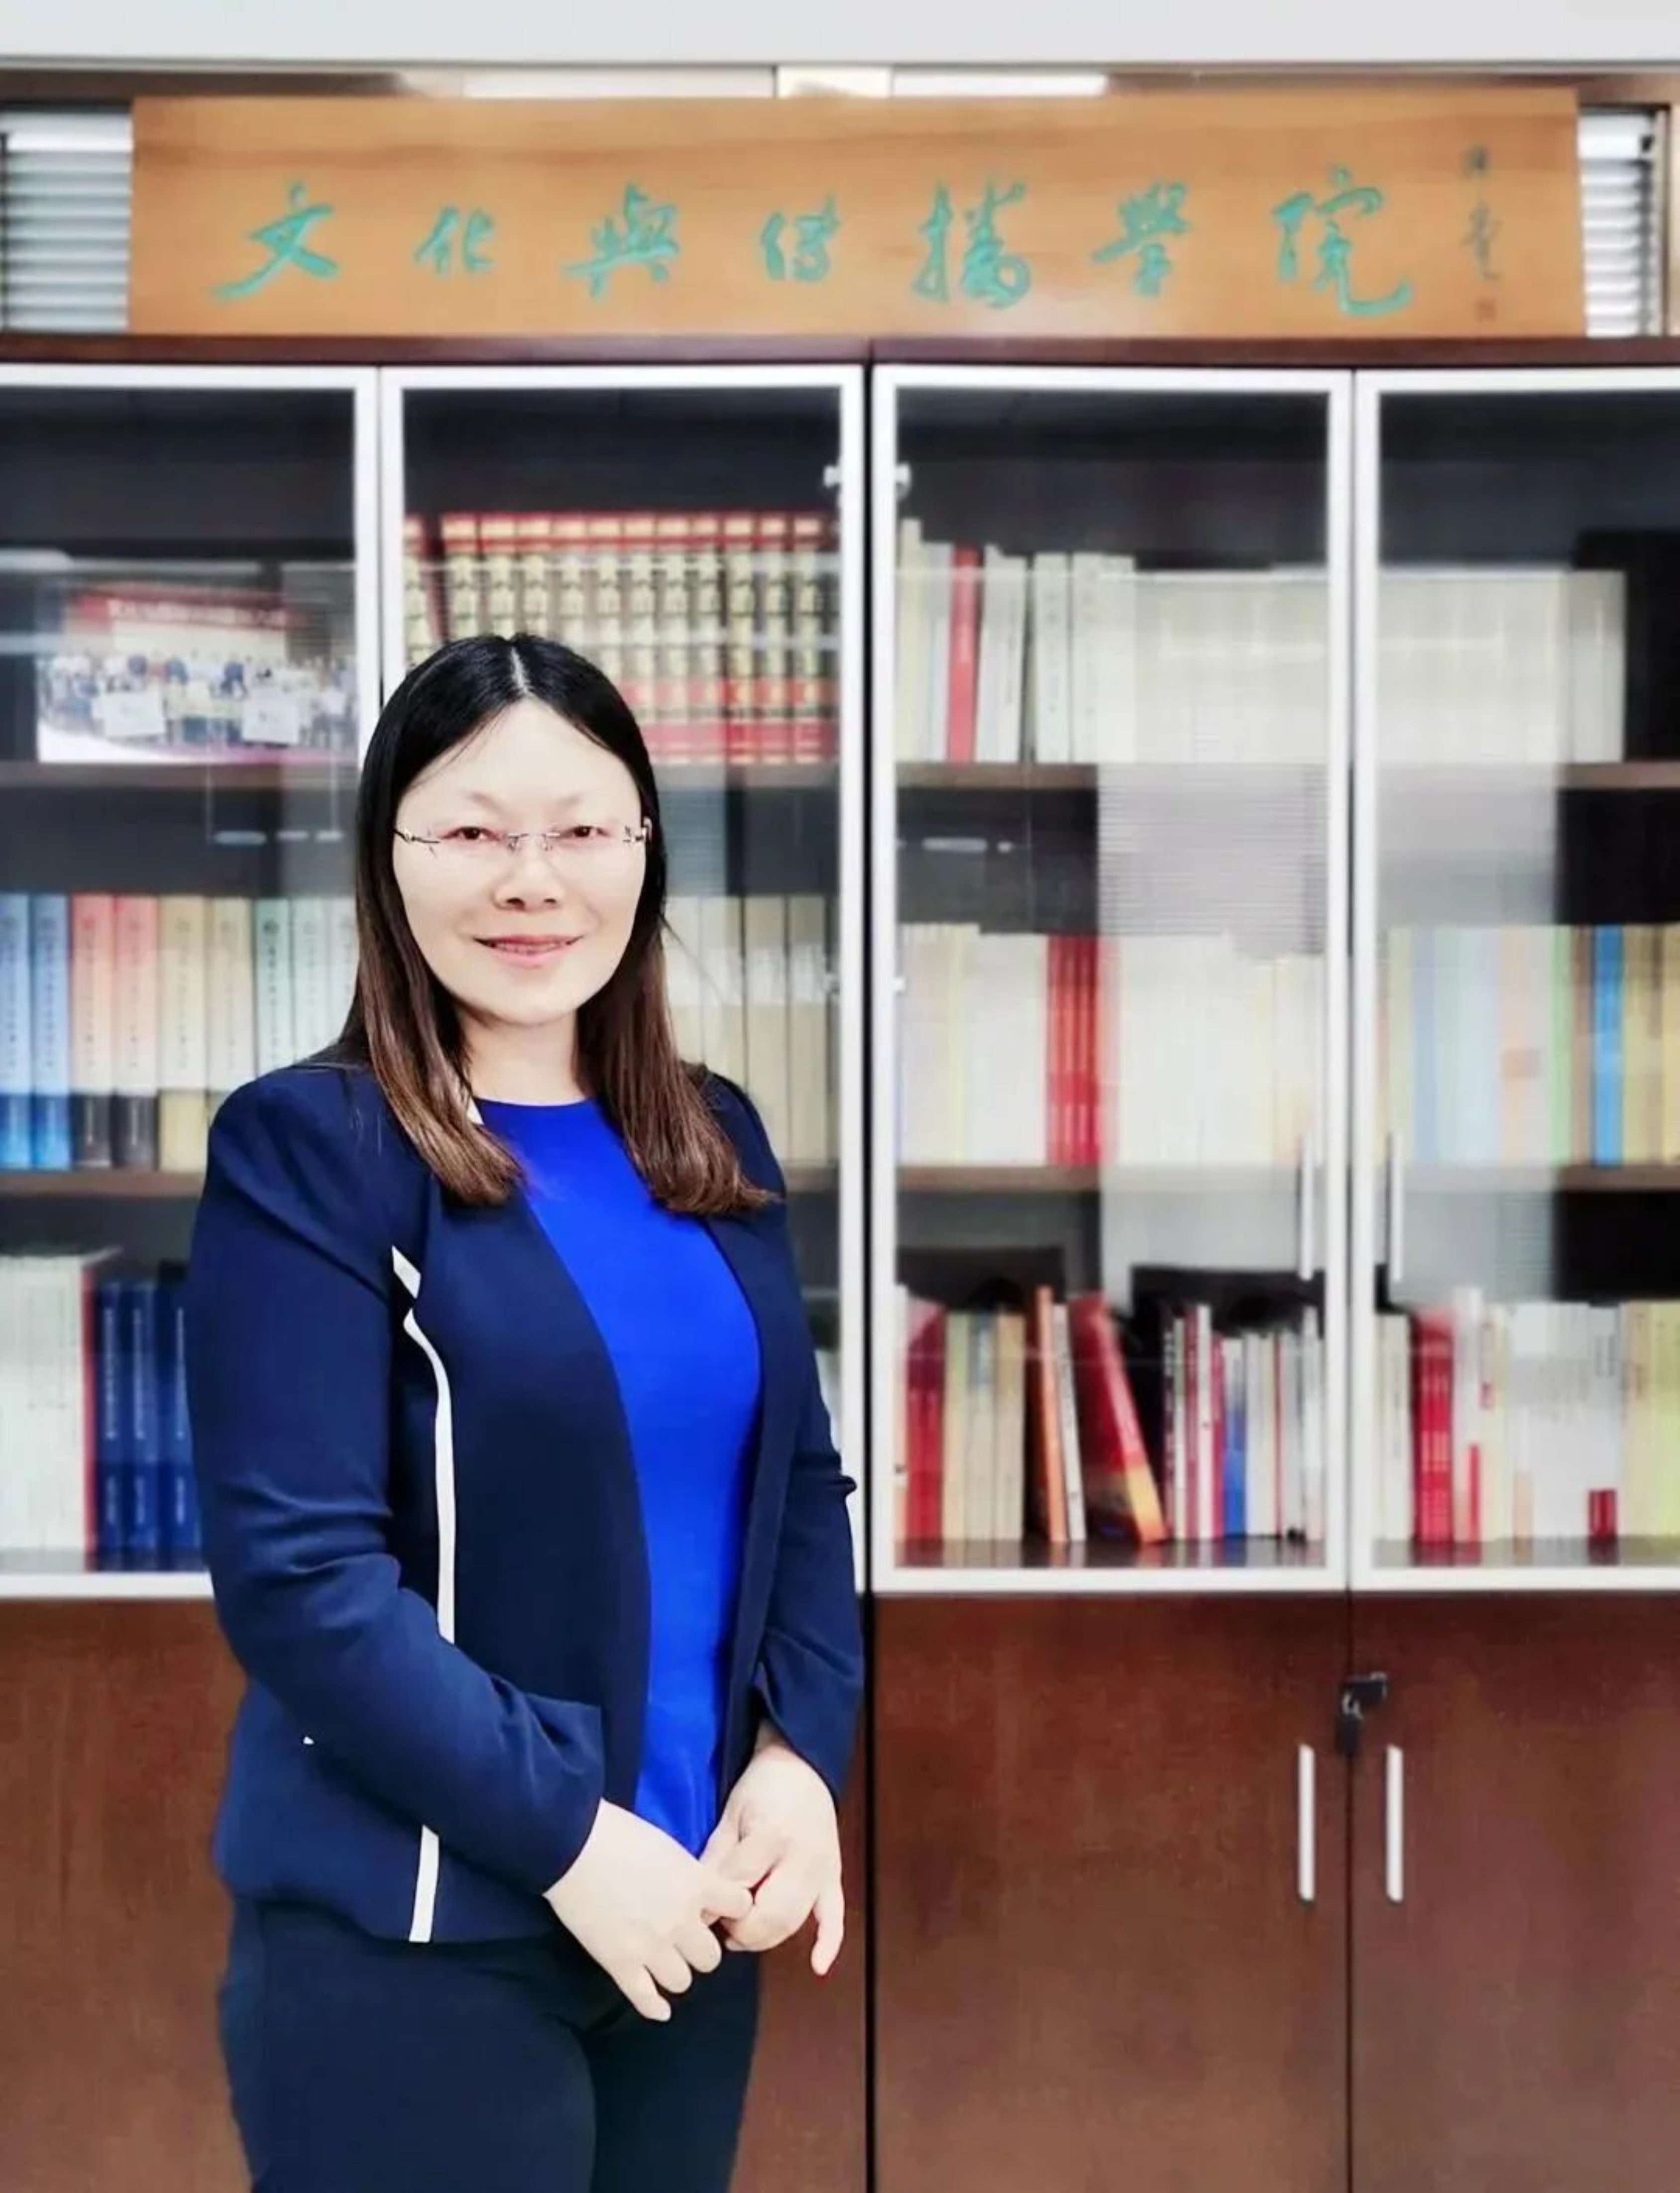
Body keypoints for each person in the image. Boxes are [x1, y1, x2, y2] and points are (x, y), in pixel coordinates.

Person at [184, 633, 865, 2193]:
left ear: (645, 849)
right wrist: (572, 1838)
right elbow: (303, 1584)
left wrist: (800, 1758)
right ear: (392, 856)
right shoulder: (314, 1151)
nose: (532, 881)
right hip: (420, 1938)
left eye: (581, 829)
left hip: (682, 1917)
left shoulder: (712, 1136)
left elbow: (799, 1487)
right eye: (475, 832)